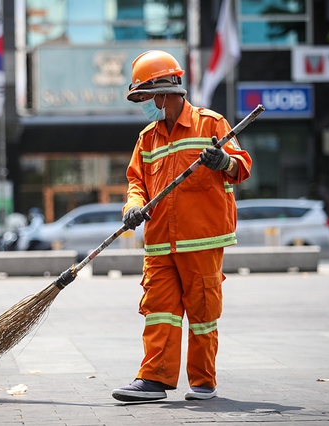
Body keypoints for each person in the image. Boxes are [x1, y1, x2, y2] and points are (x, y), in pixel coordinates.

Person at [111, 50, 253, 402]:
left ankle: (203, 381)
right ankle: (154, 379)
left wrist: (224, 160)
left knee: (203, 314)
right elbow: (136, 182)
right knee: (159, 311)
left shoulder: (211, 124)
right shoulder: (147, 138)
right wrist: (133, 206)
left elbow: (241, 166)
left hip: (201, 240)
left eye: (145, 97)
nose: (144, 104)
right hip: (159, 242)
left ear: (163, 92)